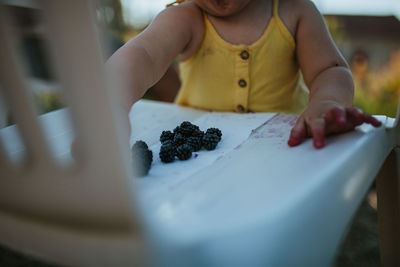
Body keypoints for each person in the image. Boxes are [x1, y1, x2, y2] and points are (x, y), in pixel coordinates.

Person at [106, 0, 381, 149]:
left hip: (284, 150)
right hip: (200, 152)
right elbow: (144, 55)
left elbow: (328, 70)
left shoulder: (295, 11)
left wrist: (327, 104)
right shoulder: (186, 16)